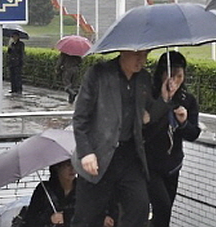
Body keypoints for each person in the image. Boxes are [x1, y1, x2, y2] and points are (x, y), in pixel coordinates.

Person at [71, 50, 177, 227]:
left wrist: (165, 99)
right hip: (99, 155)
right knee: (87, 218)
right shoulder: (98, 74)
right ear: (123, 51)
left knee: (139, 206)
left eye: (145, 55)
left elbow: (148, 116)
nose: (141, 60)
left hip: (129, 156)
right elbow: (80, 118)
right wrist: (86, 152)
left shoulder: (143, 78)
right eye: (137, 55)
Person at [144, 51, 201, 227]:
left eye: (179, 76)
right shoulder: (150, 97)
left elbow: (193, 134)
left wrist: (183, 122)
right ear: (161, 74)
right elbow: (144, 131)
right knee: (162, 206)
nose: (174, 81)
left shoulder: (187, 100)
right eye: (170, 75)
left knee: (166, 211)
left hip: (173, 165)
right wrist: (163, 101)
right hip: (150, 164)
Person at [24, 159, 77, 227]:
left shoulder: (81, 189)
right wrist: (50, 219)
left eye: (74, 164)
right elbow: (30, 219)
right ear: (57, 167)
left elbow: (88, 215)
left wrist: (66, 217)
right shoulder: (44, 189)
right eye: (68, 165)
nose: (72, 169)